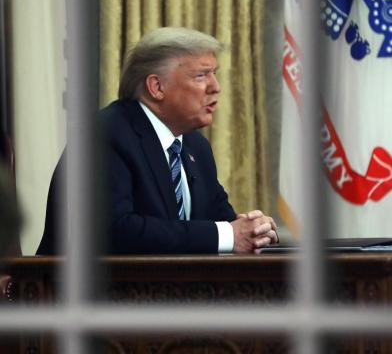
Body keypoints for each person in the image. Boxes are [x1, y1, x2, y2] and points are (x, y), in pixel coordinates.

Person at [37, 27, 278, 255]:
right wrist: (226, 235)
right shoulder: (105, 134)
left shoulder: (195, 146)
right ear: (156, 86)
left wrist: (253, 230)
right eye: (201, 76)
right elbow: (115, 231)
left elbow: (221, 221)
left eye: (214, 74)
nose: (216, 87)